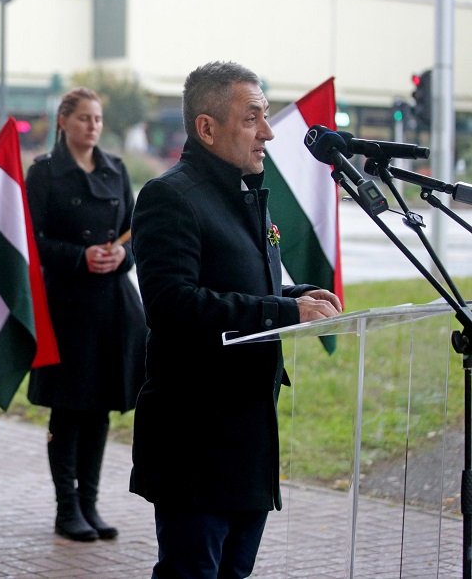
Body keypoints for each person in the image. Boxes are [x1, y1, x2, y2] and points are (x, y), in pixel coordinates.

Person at [130, 61, 343, 578]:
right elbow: (172, 303)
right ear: (206, 128)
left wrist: (297, 293)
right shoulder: (169, 198)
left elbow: (242, 284)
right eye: (252, 118)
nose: (267, 132)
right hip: (196, 439)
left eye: (265, 117)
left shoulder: (247, 192)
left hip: (249, 435)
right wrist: (284, 309)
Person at [24, 87, 147, 543]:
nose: (92, 126)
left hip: (112, 305)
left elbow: (135, 233)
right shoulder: (45, 174)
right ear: (63, 122)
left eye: (97, 119)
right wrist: (80, 256)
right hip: (67, 305)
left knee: (99, 409)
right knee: (69, 409)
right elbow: (31, 240)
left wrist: (121, 256)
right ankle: (66, 508)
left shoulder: (116, 169)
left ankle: (91, 504)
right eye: (83, 118)